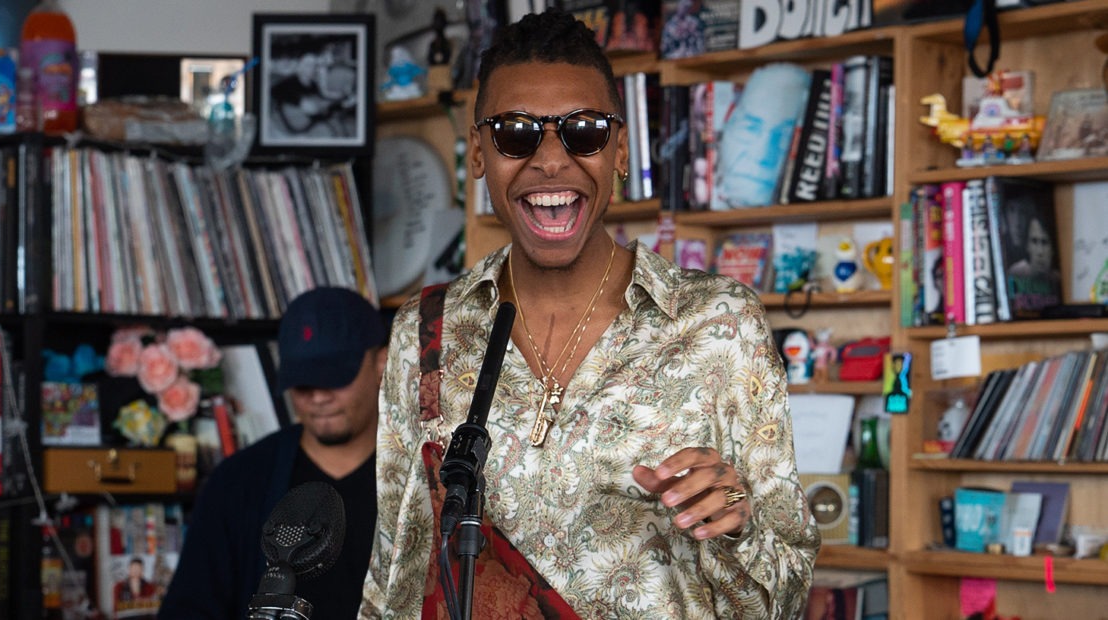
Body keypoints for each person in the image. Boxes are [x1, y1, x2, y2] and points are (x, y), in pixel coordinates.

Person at [361, 9, 819, 619]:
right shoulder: (429, 331)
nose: (552, 160)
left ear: (620, 150)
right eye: (516, 133)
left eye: (584, 130)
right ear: (477, 154)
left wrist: (733, 525)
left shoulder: (720, 323)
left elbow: (784, 599)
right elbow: (396, 574)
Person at [158, 286, 388, 619]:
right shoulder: (238, 482)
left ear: (382, 362)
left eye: (335, 378)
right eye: (304, 383)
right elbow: (188, 609)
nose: (318, 398)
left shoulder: (424, 479)